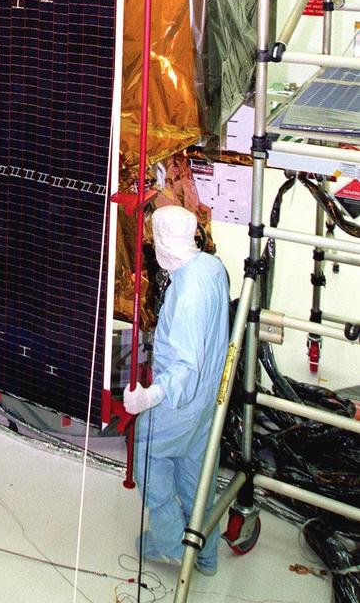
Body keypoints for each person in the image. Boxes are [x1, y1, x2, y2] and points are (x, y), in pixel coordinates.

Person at [123, 203, 229, 576]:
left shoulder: (186, 294)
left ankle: (170, 543)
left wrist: (148, 397)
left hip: (180, 402)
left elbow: (185, 365)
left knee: (149, 459)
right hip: (208, 401)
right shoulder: (211, 267)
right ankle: (207, 554)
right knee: (196, 475)